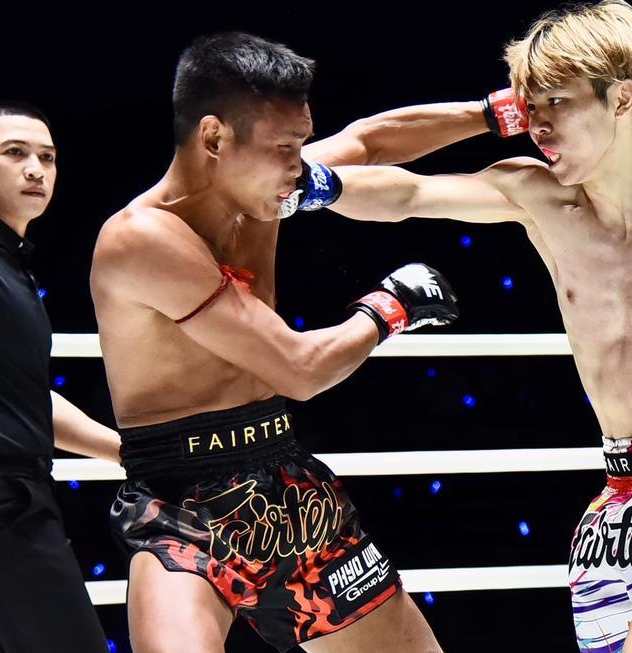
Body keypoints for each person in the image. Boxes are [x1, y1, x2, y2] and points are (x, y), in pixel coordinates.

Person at [322, 2, 632, 651]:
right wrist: (313, 185)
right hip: (619, 489)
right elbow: (405, 194)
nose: (538, 124)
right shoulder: (539, 197)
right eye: (531, 105)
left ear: (622, 98)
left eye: (557, 101)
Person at [88, 32, 509, 653]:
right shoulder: (141, 239)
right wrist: (389, 308)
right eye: (285, 147)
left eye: (301, 143)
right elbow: (299, 369)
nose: (299, 165)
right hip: (183, 506)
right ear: (214, 138)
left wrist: (496, 114)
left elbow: (369, 142)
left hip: (288, 489)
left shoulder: (265, 194)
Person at [0, 102, 120, 652]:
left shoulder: (1, 260)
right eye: (15, 153)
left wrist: (127, 453)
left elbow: (21, 397)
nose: (35, 169)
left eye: (47, 158)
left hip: (0, 506)